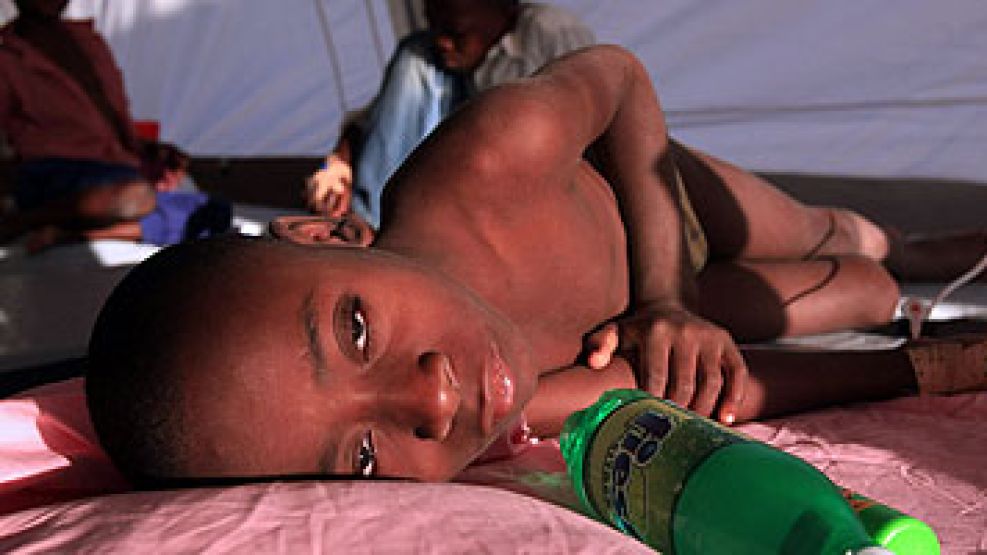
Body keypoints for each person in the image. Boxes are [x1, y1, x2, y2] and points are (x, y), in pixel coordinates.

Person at [86, 45, 986, 486]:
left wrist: (666, 293)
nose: (433, 402)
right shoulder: (501, 396)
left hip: (657, 199)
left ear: (326, 235)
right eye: (363, 456)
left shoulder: (476, 164)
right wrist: (909, 368)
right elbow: (690, 390)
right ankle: (883, 268)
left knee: (825, 232)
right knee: (861, 297)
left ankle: (898, 240)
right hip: (683, 305)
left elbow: (620, 81)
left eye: (355, 328)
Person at [304, 0, 594, 231]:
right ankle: (371, 227)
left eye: (456, 32)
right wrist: (338, 164)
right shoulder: (425, 61)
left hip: (525, 198)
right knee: (413, 57)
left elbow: (591, 127)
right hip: (435, 196)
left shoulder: (552, 36)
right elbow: (372, 124)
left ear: (505, 11)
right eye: (434, 26)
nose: (442, 42)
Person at [0, 0, 229, 251]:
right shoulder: (8, 55)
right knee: (135, 195)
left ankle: (76, 234)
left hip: (114, 172)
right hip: (53, 175)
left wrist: (148, 150)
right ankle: (25, 221)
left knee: (214, 210)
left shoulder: (88, 42)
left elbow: (111, 120)